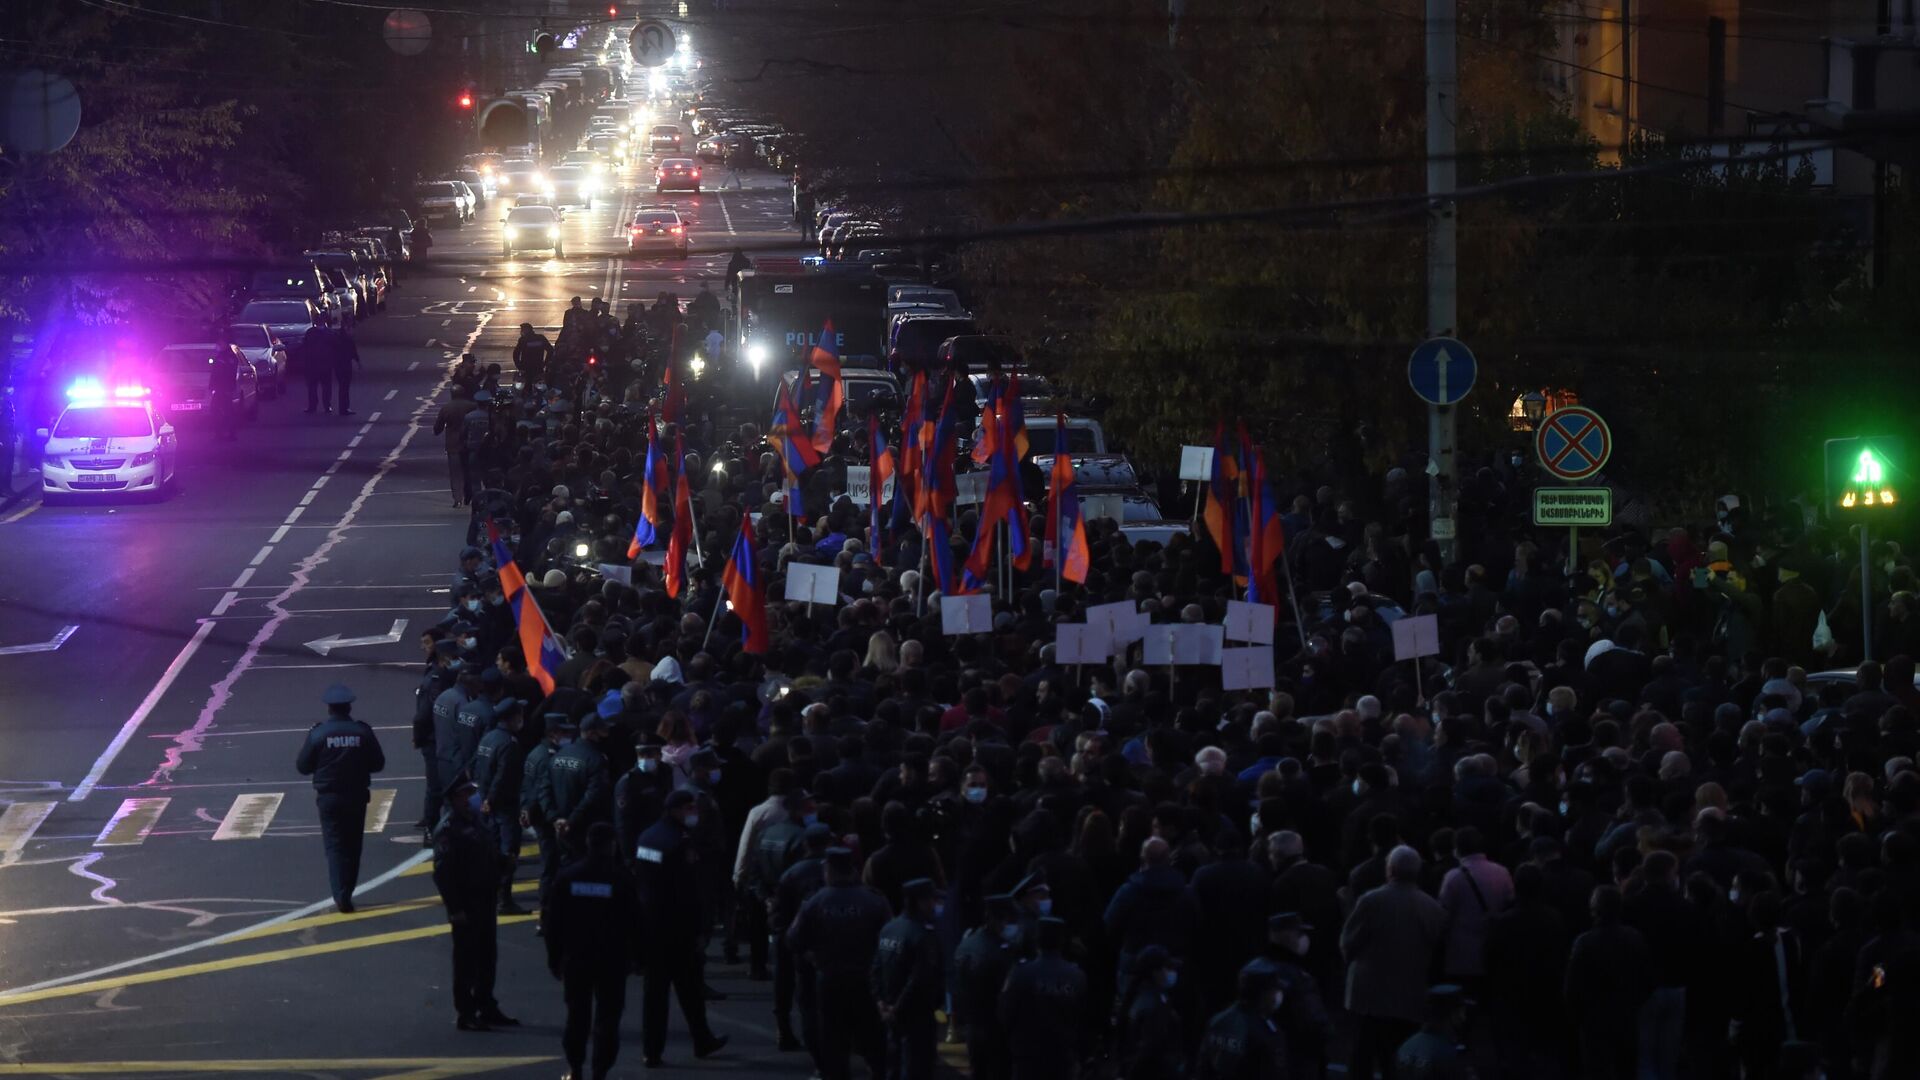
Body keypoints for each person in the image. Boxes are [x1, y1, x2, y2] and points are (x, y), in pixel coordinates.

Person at [634, 789, 730, 1067]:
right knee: (690, 990)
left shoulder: (647, 837)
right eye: (689, 808)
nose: (693, 813)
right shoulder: (680, 842)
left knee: (655, 994)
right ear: (675, 810)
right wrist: (701, 928)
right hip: (678, 929)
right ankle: (702, 1040)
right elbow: (689, 891)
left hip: (651, 925)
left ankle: (652, 1050)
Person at [545, 821, 641, 1080]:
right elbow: (635, 922)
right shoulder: (621, 879)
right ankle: (600, 1071)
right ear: (612, 845)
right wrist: (636, 959)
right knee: (607, 1020)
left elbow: (553, 923)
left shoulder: (568, 876)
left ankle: (575, 1068)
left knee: (577, 1017)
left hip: (577, 958)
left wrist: (554, 958)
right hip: (612, 960)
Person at [1342, 844, 1447, 1080]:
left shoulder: (1371, 901)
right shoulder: (1432, 908)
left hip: (1368, 993)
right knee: (1398, 1056)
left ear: (1389, 869)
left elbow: (1348, 942)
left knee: (1362, 1054)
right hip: (1409, 993)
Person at [788, 846, 890, 1080]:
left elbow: (793, 940)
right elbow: (889, 937)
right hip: (866, 980)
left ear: (829, 871)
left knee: (834, 1041)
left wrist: (811, 956)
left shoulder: (815, 902)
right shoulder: (874, 900)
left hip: (830, 980)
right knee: (873, 1037)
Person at [432, 777, 517, 1031]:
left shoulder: (475, 821)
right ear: (455, 798)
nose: (472, 797)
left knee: (487, 956)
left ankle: (486, 1005)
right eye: (466, 793)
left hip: (485, 896)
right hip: (466, 902)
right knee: (466, 960)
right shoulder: (448, 829)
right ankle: (466, 1012)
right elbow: (443, 874)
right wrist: (455, 909)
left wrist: (503, 862)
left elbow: (485, 852)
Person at [294, 683, 385, 913]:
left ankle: (340, 894)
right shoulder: (362, 731)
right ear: (349, 707)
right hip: (356, 796)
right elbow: (378, 764)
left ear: (329, 709)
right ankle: (348, 890)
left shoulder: (318, 733)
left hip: (329, 798)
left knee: (335, 846)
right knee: (354, 846)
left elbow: (303, 766)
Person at [873, 877, 946, 1080]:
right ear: (921, 902)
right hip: (915, 1015)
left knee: (893, 1065)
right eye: (932, 900)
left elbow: (876, 969)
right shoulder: (922, 935)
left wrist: (882, 1003)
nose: (935, 906)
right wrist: (898, 1008)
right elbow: (919, 979)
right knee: (917, 1068)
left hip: (891, 1012)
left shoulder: (890, 928)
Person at [1000, 917, 1088, 1080]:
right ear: (1062, 941)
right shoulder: (1077, 976)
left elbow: (1006, 1015)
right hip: (1062, 1055)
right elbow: (1083, 1019)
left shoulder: (1021, 973)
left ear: (1037, 940)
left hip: (1027, 1056)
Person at [952, 893, 1020, 1080]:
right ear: (994, 919)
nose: (1009, 925)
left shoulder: (966, 944)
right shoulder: (1000, 953)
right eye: (1006, 920)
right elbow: (1007, 996)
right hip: (995, 1028)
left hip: (972, 1026)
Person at [469, 698, 527, 915]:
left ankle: (492, 895)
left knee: (492, 851)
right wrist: (491, 799)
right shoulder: (509, 744)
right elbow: (503, 776)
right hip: (503, 806)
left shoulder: (489, 738)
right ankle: (504, 899)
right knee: (509, 851)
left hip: (487, 803)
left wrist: (484, 798)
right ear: (512, 717)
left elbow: (475, 767)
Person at [523, 712, 576, 927]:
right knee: (552, 867)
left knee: (550, 866)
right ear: (553, 733)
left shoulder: (536, 753)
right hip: (548, 819)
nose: (568, 736)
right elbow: (541, 791)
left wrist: (525, 809)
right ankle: (547, 915)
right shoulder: (548, 757)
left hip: (541, 817)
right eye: (564, 732)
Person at [1196, 962, 1287, 1080]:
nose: (1279, 995)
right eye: (1275, 989)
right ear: (1262, 992)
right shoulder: (1231, 1024)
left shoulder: (1264, 1019)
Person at [1116, 945, 1187, 1080]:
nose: (1171, 972)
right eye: (1167, 968)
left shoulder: (1141, 994)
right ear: (1155, 972)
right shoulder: (1154, 1003)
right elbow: (1149, 1051)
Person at [549, 713, 614, 859]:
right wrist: (571, 820)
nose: (606, 736)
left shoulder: (559, 755)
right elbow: (593, 795)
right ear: (592, 733)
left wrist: (555, 818)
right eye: (602, 732)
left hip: (560, 825)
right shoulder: (596, 758)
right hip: (584, 827)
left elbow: (546, 789)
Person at [1394, 985, 1475, 1080]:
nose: (1463, 1018)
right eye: (1461, 1012)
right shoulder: (1447, 1054)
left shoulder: (1405, 1047)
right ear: (1452, 1014)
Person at [434, 388, 478, 507]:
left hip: (452, 444)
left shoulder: (446, 408)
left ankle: (458, 499)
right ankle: (470, 495)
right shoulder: (472, 406)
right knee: (469, 470)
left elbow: (438, 428)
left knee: (455, 473)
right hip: (468, 442)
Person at [303, 317, 336, 414]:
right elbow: (335, 348)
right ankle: (327, 406)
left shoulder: (310, 333)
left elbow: (305, 349)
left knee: (313, 386)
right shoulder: (330, 333)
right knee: (326, 386)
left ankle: (312, 406)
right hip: (325, 364)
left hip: (313, 364)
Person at [208, 341, 239, 442]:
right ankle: (219, 434)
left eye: (221, 344)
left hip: (225, 388)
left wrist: (228, 388)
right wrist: (212, 386)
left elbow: (229, 373)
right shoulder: (221, 356)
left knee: (227, 412)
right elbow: (215, 373)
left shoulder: (229, 357)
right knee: (216, 411)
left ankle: (230, 434)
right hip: (219, 388)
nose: (219, 346)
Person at [332, 322, 363, 415]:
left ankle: (343, 407)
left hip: (338, 366)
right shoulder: (348, 340)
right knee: (345, 387)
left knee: (342, 387)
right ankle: (345, 407)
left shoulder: (336, 339)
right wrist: (358, 363)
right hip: (346, 365)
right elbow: (353, 352)